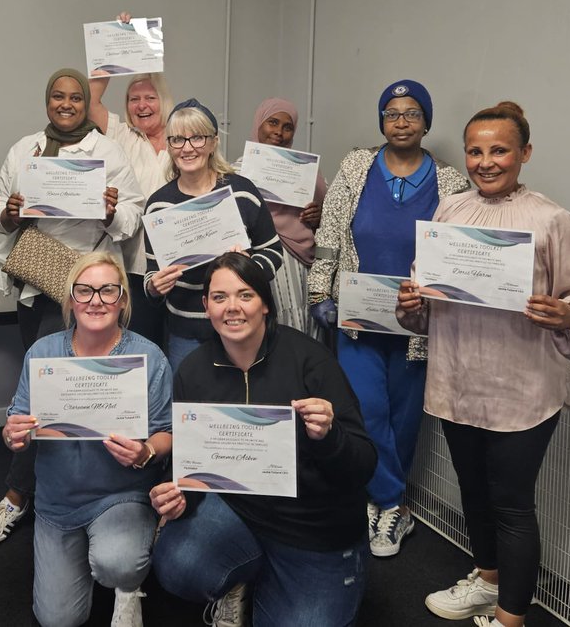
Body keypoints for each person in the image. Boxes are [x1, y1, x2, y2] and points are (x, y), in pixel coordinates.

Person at [396, 101, 570, 627]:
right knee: (473, 489)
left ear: (524, 153)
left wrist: (566, 313)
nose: (485, 161)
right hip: (457, 377)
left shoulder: (551, 219)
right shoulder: (448, 212)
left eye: (499, 150)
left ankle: (511, 616)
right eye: (475, 151)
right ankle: (487, 581)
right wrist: (412, 304)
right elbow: (426, 294)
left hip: (522, 387)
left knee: (511, 503)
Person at [149, 253, 376, 627]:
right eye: (220, 298)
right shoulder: (193, 370)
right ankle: (243, 578)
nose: (232, 308)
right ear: (206, 306)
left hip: (316, 530)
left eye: (245, 295)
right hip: (244, 513)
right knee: (177, 565)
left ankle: (271, 583)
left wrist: (328, 436)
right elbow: (189, 464)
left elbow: (364, 465)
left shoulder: (310, 361)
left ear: (265, 304)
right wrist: (176, 495)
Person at [0, 67, 145, 548]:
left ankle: (80, 494)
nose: (66, 104)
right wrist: (9, 211)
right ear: (46, 100)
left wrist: (112, 209)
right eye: (57, 96)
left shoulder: (106, 151)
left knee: (85, 391)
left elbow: (134, 214)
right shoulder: (23, 149)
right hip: (38, 283)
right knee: (42, 393)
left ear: (84, 103)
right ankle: (25, 496)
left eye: (74, 97)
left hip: (88, 290)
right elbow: (3, 221)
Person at [305, 79, 469, 557]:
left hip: (417, 324)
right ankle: (389, 501)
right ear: (382, 120)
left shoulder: (450, 182)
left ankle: (385, 505)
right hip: (357, 316)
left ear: (426, 122)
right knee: (366, 409)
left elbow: (456, 255)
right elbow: (332, 231)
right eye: (392, 113)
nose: (401, 121)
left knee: (404, 416)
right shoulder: (356, 166)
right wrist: (320, 290)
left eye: (412, 113)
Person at [3, 252, 172, 627]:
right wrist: (14, 435)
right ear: (70, 300)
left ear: (123, 300)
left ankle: (128, 588)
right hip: (58, 501)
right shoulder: (43, 353)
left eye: (108, 290)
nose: (96, 300)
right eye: (84, 291)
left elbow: (167, 433)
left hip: (121, 494)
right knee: (57, 620)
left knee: (118, 565)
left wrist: (145, 452)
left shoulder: (149, 356)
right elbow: (15, 424)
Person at [144, 99, 284, 374]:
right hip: (186, 331)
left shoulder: (242, 191)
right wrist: (154, 286)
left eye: (197, 137)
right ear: (169, 146)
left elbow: (273, 252)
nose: (187, 148)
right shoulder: (159, 205)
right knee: (189, 409)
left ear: (213, 142)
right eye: (177, 140)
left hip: (242, 326)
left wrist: (248, 266)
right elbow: (151, 275)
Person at [87, 12, 173, 348]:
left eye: (149, 97)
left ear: (163, 101)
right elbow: (91, 100)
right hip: (133, 264)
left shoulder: (183, 137)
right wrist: (115, 41)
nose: (141, 104)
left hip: (178, 264)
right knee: (142, 345)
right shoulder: (120, 135)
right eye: (133, 99)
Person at [234, 98, 326, 337]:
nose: (279, 132)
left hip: (298, 264)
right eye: (272, 123)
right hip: (257, 259)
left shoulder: (309, 173)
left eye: (288, 127)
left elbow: (331, 221)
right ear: (258, 124)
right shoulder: (237, 173)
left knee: (301, 328)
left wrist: (319, 217)